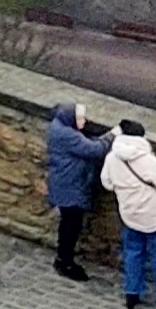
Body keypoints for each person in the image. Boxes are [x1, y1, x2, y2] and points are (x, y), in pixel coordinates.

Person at [100, 117, 156, 309]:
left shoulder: (112, 158)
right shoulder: (147, 160)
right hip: (153, 215)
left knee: (133, 253)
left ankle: (132, 293)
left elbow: (107, 182)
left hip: (129, 214)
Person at [44, 97, 110, 284]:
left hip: (66, 184)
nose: (84, 122)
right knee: (71, 226)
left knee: (69, 224)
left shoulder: (60, 127)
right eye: (80, 118)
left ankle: (64, 258)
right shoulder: (67, 135)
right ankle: (64, 261)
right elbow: (95, 149)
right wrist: (112, 134)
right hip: (70, 187)